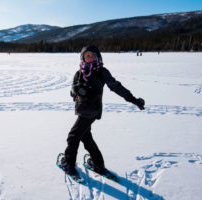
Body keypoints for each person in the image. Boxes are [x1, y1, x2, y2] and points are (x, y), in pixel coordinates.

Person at [60, 45, 145, 176]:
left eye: (92, 55)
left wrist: (134, 100)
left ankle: (69, 164)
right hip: (82, 109)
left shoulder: (102, 72)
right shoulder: (79, 73)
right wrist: (75, 91)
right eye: (87, 56)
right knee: (86, 137)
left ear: (98, 57)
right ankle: (98, 164)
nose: (90, 58)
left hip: (91, 111)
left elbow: (117, 87)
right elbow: (73, 90)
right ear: (83, 58)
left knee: (73, 137)